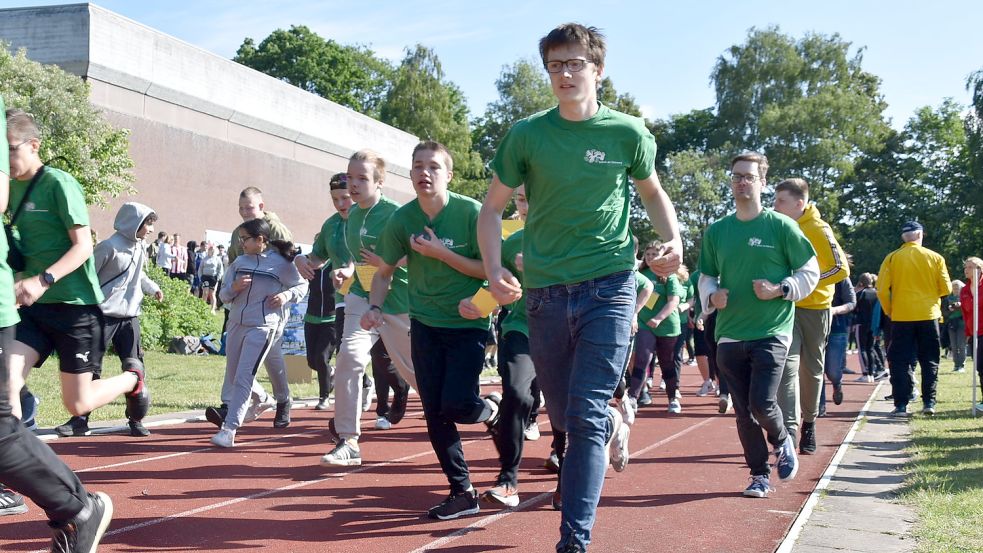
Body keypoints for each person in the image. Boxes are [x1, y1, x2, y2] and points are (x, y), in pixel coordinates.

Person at [478, 24, 682, 552]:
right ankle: (612, 420)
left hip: (610, 287)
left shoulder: (628, 133)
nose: (565, 75)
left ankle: (574, 540)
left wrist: (674, 240)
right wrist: (495, 268)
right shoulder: (527, 135)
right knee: (566, 415)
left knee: (585, 415)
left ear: (598, 70)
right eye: (556, 66)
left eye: (575, 64)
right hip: (544, 292)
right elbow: (492, 208)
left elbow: (653, 193)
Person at [366, 141, 498, 520]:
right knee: (435, 411)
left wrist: (441, 253)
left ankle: (491, 411)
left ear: (449, 174)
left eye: (434, 167)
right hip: (423, 323)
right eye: (418, 166)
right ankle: (462, 491)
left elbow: (490, 271)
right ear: (410, 174)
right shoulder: (402, 219)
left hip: (467, 322)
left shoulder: (472, 213)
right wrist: (375, 306)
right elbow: (383, 273)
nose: (425, 173)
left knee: (456, 403)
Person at [5, 108, 150, 439]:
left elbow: (83, 246)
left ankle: (132, 379)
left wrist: (43, 280)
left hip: (75, 308)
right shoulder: (8, 189)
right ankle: (11, 467)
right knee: (7, 380)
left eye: (12, 148)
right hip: (34, 311)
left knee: (78, 404)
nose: (7, 157)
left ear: (34, 145)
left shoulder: (59, 183)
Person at [698, 151, 818, 499]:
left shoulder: (781, 226)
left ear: (762, 182)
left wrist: (780, 289)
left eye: (749, 176)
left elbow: (809, 271)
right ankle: (758, 475)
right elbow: (706, 275)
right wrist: (711, 297)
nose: (742, 182)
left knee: (762, 404)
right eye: (736, 176)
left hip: (771, 331)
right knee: (742, 412)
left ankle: (782, 441)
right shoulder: (718, 231)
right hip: (730, 334)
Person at [295, 151, 417, 467]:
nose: (354, 185)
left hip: (398, 302)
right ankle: (348, 441)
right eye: (350, 177)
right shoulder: (345, 220)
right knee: (349, 359)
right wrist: (303, 262)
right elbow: (321, 257)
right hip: (360, 299)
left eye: (362, 178)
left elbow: (421, 253)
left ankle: (477, 411)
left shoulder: (396, 214)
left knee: (419, 376)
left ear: (379, 181)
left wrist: (390, 261)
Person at [54, 202, 165, 438]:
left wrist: (152, 288)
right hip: (103, 316)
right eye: (148, 224)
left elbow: (139, 274)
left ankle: (135, 419)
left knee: (135, 368)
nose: (151, 230)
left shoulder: (140, 247)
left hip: (130, 317)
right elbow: (88, 275)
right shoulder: (109, 247)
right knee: (91, 367)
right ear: (132, 223)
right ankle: (80, 419)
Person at [210, 218, 307, 447]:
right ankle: (263, 400)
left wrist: (285, 296)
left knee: (244, 376)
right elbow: (223, 295)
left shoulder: (281, 264)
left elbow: (301, 286)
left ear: (261, 240)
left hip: (262, 327)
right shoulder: (239, 262)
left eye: (245, 239)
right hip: (235, 324)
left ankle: (229, 429)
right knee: (234, 376)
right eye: (240, 238)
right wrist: (233, 288)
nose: (241, 243)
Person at [772, 177, 849, 454]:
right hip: (785, 307)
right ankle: (789, 431)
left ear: (799, 203)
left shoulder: (818, 228)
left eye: (780, 201)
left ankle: (809, 423)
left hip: (816, 309)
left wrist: (806, 282)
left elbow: (841, 269)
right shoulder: (778, 226)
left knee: (812, 370)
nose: (774, 205)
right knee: (787, 367)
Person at [219, 187, 295, 428]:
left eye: (249, 207)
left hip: (270, 307)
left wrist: (285, 294)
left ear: (261, 206)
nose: (245, 212)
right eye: (241, 208)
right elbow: (234, 264)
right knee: (236, 356)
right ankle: (233, 403)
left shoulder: (274, 229)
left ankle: (282, 400)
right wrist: (232, 290)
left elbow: (291, 263)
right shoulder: (237, 234)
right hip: (243, 304)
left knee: (272, 358)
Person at [876, 221, 951, 416]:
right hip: (929, 314)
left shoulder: (892, 258)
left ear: (903, 237)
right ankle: (929, 402)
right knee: (930, 360)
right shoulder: (935, 257)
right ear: (920, 235)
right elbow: (947, 288)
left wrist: (889, 310)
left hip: (901, 316)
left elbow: (882, 290)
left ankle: (901, 404)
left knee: (899, 360)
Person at [303, 173, 352, 411]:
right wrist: (300, 261)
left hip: (377, 301)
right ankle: (348, 431)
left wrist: (351, 271)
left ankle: (327, 397)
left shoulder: (376, 219)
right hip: (325, 311)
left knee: (390, 363)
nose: (341, 204)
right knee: (319, 361)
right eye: (335, 199)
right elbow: (314, 257)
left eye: (345, 197)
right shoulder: (331, 225)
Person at [627, 241, 685, 413]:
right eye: (648, 254)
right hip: (645, 324)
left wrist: (659, 318)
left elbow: (673, 301)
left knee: (667, 363)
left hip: (666, 325)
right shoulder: (640, 273)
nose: (651, 257)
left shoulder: (669, 276)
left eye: (655, 254)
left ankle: (673, 397)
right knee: (642, 358)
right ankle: (633, 398)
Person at [819, 277, 856, 416]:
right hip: (813, 328)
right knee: (815, 370)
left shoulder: (841, 277)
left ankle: (837, 383)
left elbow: (852, 302)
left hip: (836, 329)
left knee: (833, 371)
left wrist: (835, 310)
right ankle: (819, 406)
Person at [853, 273, 887, 382]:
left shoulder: (860, 294)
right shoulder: (878, 294)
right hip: (874, 325)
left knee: (862, 348)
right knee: (870, 348)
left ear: (861, 282)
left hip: (861, 324)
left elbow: (853, 309)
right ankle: (872, 374)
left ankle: (865, 373)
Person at [959, 256, 982, 409]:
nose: (966, 270)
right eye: (966, 267)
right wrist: (968, 333)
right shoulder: (965, 290)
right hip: (975, 332)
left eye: (970, 267)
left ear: (979, 269)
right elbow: (965, 313)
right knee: (980, 366)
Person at [943, 280, 966, 372]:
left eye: (957, 288)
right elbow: (944, 312)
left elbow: (968, 310)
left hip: (961, 324)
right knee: (953, 345)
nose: (955, 290)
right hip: (951, 324)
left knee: (961, 345)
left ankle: (962, 365)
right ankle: (956, 365)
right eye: (954, 288)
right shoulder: (947, 299)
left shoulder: (964, 297)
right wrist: (949, 310)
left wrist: (960, 305)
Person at [197, 242, 225, 312]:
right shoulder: (205, 258)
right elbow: (200, 268)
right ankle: (202, 308)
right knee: (205, 292)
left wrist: (218, 278)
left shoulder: (217, 259)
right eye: (210, 249)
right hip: (205, 278)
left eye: (212, 249)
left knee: (212, 293)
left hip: (213, 278)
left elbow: (220, 269)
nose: (211, 251)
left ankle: (212, 309)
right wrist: (200, 277)